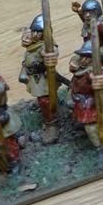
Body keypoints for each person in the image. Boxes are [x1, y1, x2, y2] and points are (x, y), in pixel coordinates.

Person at [19, 13, 60, 141]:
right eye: (34, 31)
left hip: (42, 77)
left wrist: (49, 54)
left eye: (39, 32)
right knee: (41, 98)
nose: (36, 35)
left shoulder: (45, 45)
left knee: (44, 100)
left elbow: (54, 50)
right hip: (33, 77)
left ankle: (51, 123)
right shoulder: (33, 42)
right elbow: (26, 39)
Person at [69, 39, 103, 148]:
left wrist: (100, 79)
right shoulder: (79, 67)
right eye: (82, 57)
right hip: (79, 100)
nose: (83, 60)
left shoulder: (93, 71)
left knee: (91, 128)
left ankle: (100, 146)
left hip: (90, 103)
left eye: (87, 58)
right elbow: (74, 62)